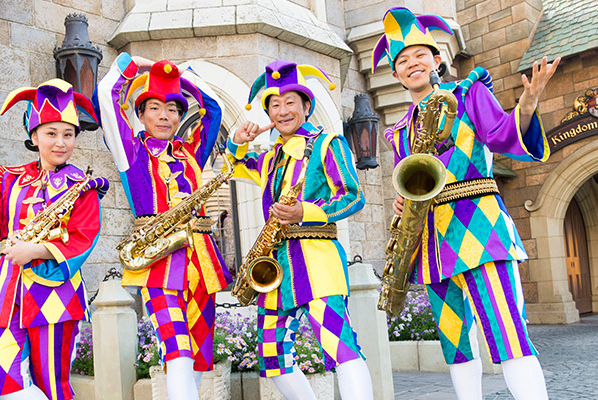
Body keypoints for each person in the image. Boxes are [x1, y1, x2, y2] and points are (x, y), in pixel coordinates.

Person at [373, 7, 560, 400]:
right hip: (431, 247)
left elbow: (502, 135)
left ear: (437, 58)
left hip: (481, 232)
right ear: (396, 75)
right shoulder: (400, 130)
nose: (412, 64)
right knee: (455, 347)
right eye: (402, 61)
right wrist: (400, 202)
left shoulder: (468, 93)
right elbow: (415, 182)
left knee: (509, 336)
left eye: (419, 55)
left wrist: (527, 104)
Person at [0, 79, 108, 400]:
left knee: (53, 385)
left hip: (56, 298)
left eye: (68, 134)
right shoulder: (10, 179)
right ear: (34, 136)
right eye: (51, 133)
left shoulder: (83, 187)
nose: (60, 142)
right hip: (7, 294)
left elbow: (84, 238)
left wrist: (34, 250)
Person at [228, 60, 374, 400]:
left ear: (306, 107)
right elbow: (234, 167)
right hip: (275, 266)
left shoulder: (328, 144)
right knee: (272, 359)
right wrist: (238, 142)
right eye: (274, 105)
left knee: (340, 347)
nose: (282, 111)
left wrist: (303, 211)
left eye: (290, 102)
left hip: (316, 260)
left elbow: (354, 196)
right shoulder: (268, 158)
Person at [93, 53, 230, 400]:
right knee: (177, 348)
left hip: (202, 261)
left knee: (198, 355)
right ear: (140, 115)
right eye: (154, 107)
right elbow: (107, 95)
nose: (165, 116)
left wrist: (182, 76)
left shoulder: (191, 153)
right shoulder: (131, 152)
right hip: (159, 264)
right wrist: (133, 64)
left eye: (172, 108)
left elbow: (213, 110)